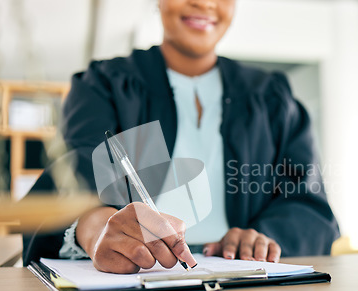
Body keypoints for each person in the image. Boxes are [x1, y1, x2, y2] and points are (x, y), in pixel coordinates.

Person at [23, 0, 340, 273]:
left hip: (248, 284)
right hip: (134, 284)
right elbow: (72, 178)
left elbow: (309, 205)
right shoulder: (106, 85)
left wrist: (264, 237)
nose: (203, 3)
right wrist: (96, 227)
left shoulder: (271, 97)